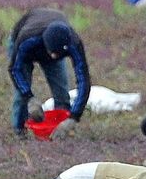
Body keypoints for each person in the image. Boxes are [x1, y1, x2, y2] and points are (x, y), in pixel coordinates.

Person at [7, 8, 91, 139]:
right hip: (25, 47)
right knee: (21, 95)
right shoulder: (27, 39)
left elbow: (83, 80)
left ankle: (60, 131)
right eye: (53, 53)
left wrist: (74, 117)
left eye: (58, 55)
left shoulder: (73, 43)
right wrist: (29, 97)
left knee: (62, 92)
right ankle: (19, 131)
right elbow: (14, 69)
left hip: (53, 45)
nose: (54, 57)